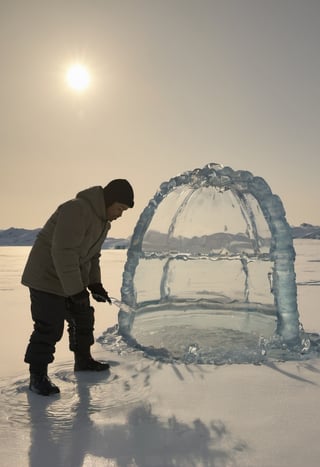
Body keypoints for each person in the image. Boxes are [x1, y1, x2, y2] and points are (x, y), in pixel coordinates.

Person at [22, 179, 134, 396]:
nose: (120, 214)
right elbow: (63, 252)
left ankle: (83, 361)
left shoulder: (102, 223)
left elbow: (92, 256)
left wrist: (95, 284)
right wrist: (76, 291)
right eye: (119, 208)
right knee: (49, 326)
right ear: (109, 201)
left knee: (83, 317)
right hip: (46, 278)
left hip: (70, 278)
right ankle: (37, 375)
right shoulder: (77, 210)